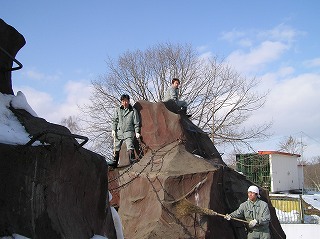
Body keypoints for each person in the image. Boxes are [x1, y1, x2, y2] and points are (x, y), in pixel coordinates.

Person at [108, 94, 141, 168]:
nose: (124, 103)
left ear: (128, 101)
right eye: (123, 101)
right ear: (121, 102)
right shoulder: (118, 110)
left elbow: (136, 122)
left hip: (129, 131)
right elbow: (114, 120)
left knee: (130, 144)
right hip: (119, 131)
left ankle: (132, 159)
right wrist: (113, 129)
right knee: (116, 146)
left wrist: (137, 131)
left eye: (126, 101)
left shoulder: (133, 111)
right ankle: (115, 162)